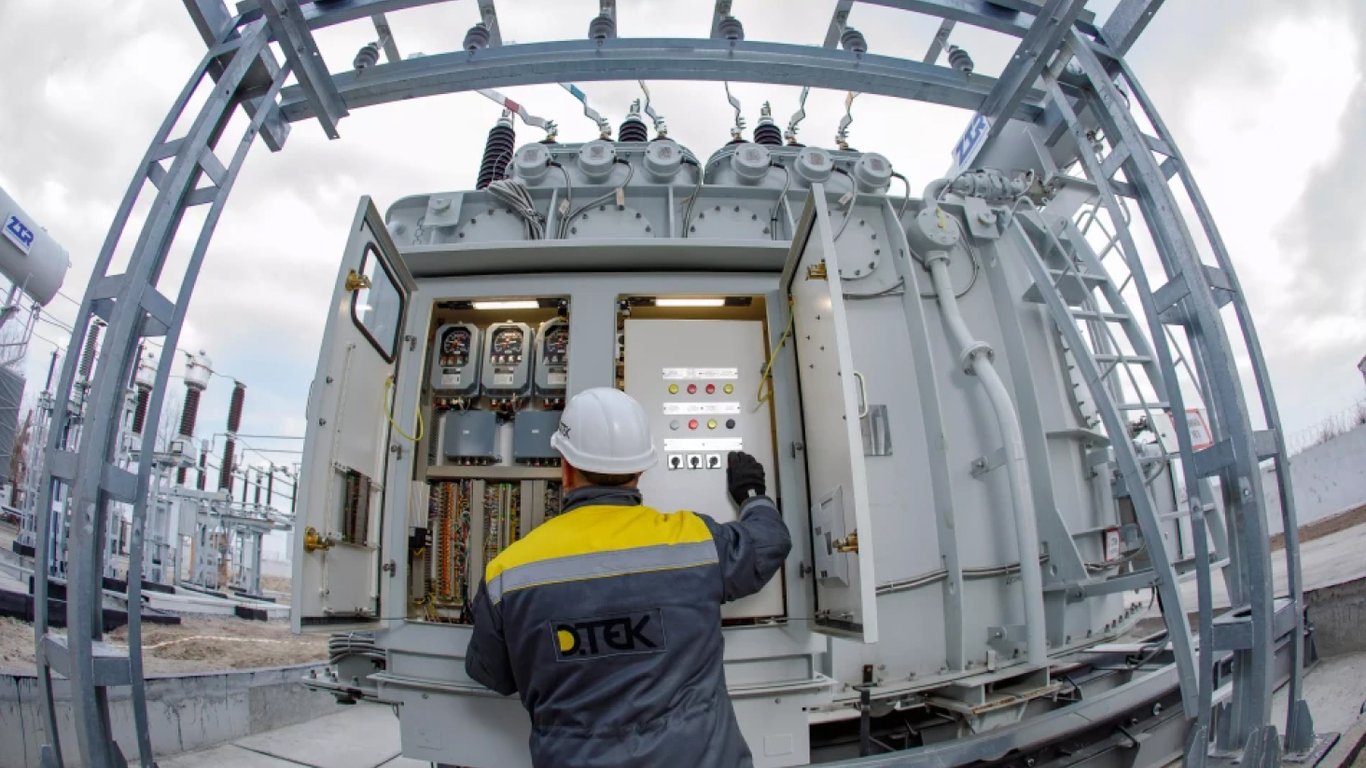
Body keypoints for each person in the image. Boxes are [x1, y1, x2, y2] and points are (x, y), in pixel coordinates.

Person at [465, 387, 791, 767]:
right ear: (640, 470)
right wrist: (751, 494)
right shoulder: (695, 541)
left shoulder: (509, 573)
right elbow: (770, 542)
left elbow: (492, 674)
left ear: (565, 468)